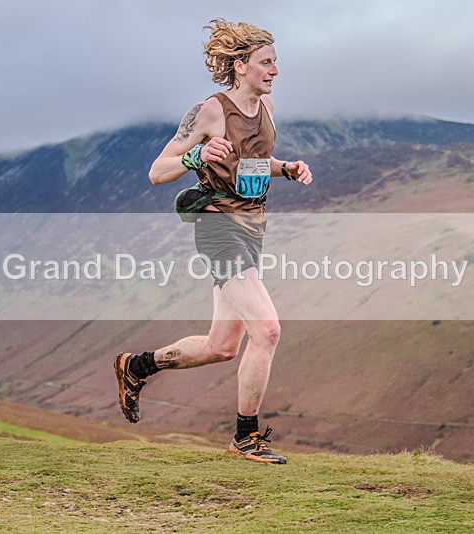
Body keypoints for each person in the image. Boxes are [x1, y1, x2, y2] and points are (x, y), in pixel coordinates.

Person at [114, 18, 312, 464]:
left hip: (253, 228)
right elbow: (157, 171)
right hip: (217, 229)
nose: (275, 70)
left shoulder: (268, 107)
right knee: (269, 330)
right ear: (240, 65)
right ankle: (246, 437)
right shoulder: (209, 111)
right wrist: (195, 154)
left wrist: (289, 168)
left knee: (222, 346)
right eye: (266, 62)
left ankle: (137, 366)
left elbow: (256, 161)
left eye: (276, 62)